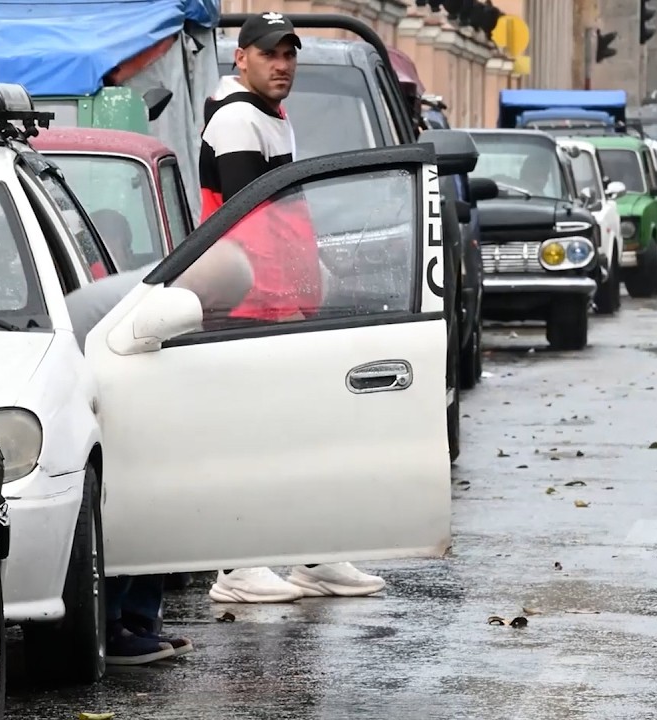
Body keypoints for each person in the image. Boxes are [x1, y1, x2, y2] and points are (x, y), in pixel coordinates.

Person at [197, 10, 387, 604]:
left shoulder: (272, 116)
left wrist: (314, 281)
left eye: (289, 54)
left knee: (299, 433)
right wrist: (286, 298)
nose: (282, 65)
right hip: (247, 301)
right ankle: (235, 566)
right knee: (250, 437)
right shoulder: (235, 120)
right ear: (242, 58)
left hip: (282, 301)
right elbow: (248, 219)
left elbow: (288, 215)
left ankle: (312, 557)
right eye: (270, 54)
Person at [64, 262, 197, 665]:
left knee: (154, 491)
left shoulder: (169, 287)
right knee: (124, 497)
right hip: (83, 383)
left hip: (119, 380)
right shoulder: (136, 298)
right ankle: (113, 622)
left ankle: (139, 620)